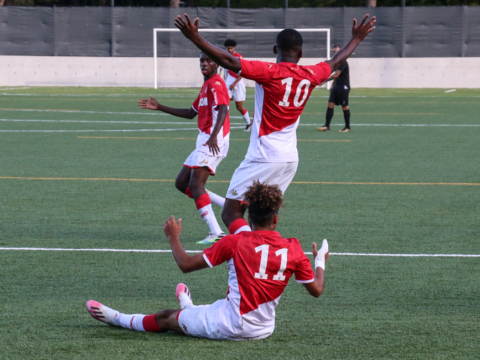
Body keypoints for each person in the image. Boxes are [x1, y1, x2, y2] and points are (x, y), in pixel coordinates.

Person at [174, 14, 376, 235]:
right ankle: (264, 257)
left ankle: (250, 254)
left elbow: (228, 61)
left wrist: (195, 37)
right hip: (289, 160)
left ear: (274, 50)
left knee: (231, 212)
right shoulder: (311, 73)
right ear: (300, 53)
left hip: (263, 156)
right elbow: (336, 60)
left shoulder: (268, 72)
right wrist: (357, 38)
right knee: (262, 214)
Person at [86, 181, 330, 341]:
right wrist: (320, 260)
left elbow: (185, 265)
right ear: (275, 220)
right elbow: (317, 290)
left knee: (164, 317)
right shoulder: (295, 249)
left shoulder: (234, 242)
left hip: (230, 325)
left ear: (250, 217)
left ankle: (116, 318)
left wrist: (173, 237)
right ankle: (189, 308)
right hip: (264, 329)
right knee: (210, 308)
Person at [138, 52, 230, 244]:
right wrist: (160, 107)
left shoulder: (217, 83)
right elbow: (190, 113)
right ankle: (228, 205)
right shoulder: (206, 86)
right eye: (202, 61)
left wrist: (213, 135)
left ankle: (216, 232)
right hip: (204, 139)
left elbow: (224, 108)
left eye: (209, 61)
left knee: (196, 185)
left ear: (217, 65)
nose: (204, 64)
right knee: (182, 183)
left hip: (213, 140)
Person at [318, 45, 351, 133]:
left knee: (344, 106)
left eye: (337, 52)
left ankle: (347, 127)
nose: (336, 54)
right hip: (337, 86)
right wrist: (332, 86)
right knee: (330, 104)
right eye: (334, 52)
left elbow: (336, 75)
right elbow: (336, 77)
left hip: (343, 86)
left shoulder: (343, 62)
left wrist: (325, 81)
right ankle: (326, 126)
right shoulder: (337, 63)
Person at [224, 38, 252, 132]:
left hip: (238, 82)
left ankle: (249, 123)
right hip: (228, 81)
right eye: (228, 48)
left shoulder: (239, 57)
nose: (229, 50)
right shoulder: (224, 55)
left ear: (234, 48)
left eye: (231, 48)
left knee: (239, 107)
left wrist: (234, 83)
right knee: (224, 104)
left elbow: (243, 72)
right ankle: (223, 124)